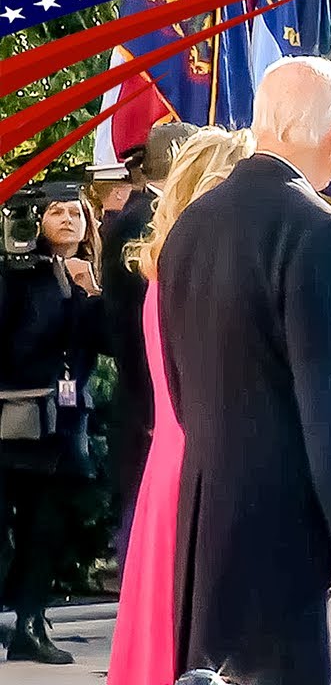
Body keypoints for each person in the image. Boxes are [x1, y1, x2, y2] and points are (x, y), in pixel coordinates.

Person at [158, 56, 331, 685]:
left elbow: (179, 387)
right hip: (292, 521)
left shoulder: (188, 226)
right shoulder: (315, 229)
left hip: (206, 509)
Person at [106, 127, 255, 685]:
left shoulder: (165, 272)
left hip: (168, 467)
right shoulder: (205, 281)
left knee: (160, 640)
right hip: (200, 473)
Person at [0, 180, 106, 664]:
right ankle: (23, 619)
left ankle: (30, 622)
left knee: (46, 528)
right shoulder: (16, 273)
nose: (68, 220)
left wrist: (88, 293)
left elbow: (104, 342)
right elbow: (19, 342)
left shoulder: (85, 276)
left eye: (76, 213)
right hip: (15, 419)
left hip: (63, 422)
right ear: (37, 222)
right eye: (57, 211)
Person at [99, 121, 197, 569]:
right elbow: (144, 324)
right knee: (144, 522)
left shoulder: (142, 217)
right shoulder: (146, 223)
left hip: (143, 392)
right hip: (147, 394)